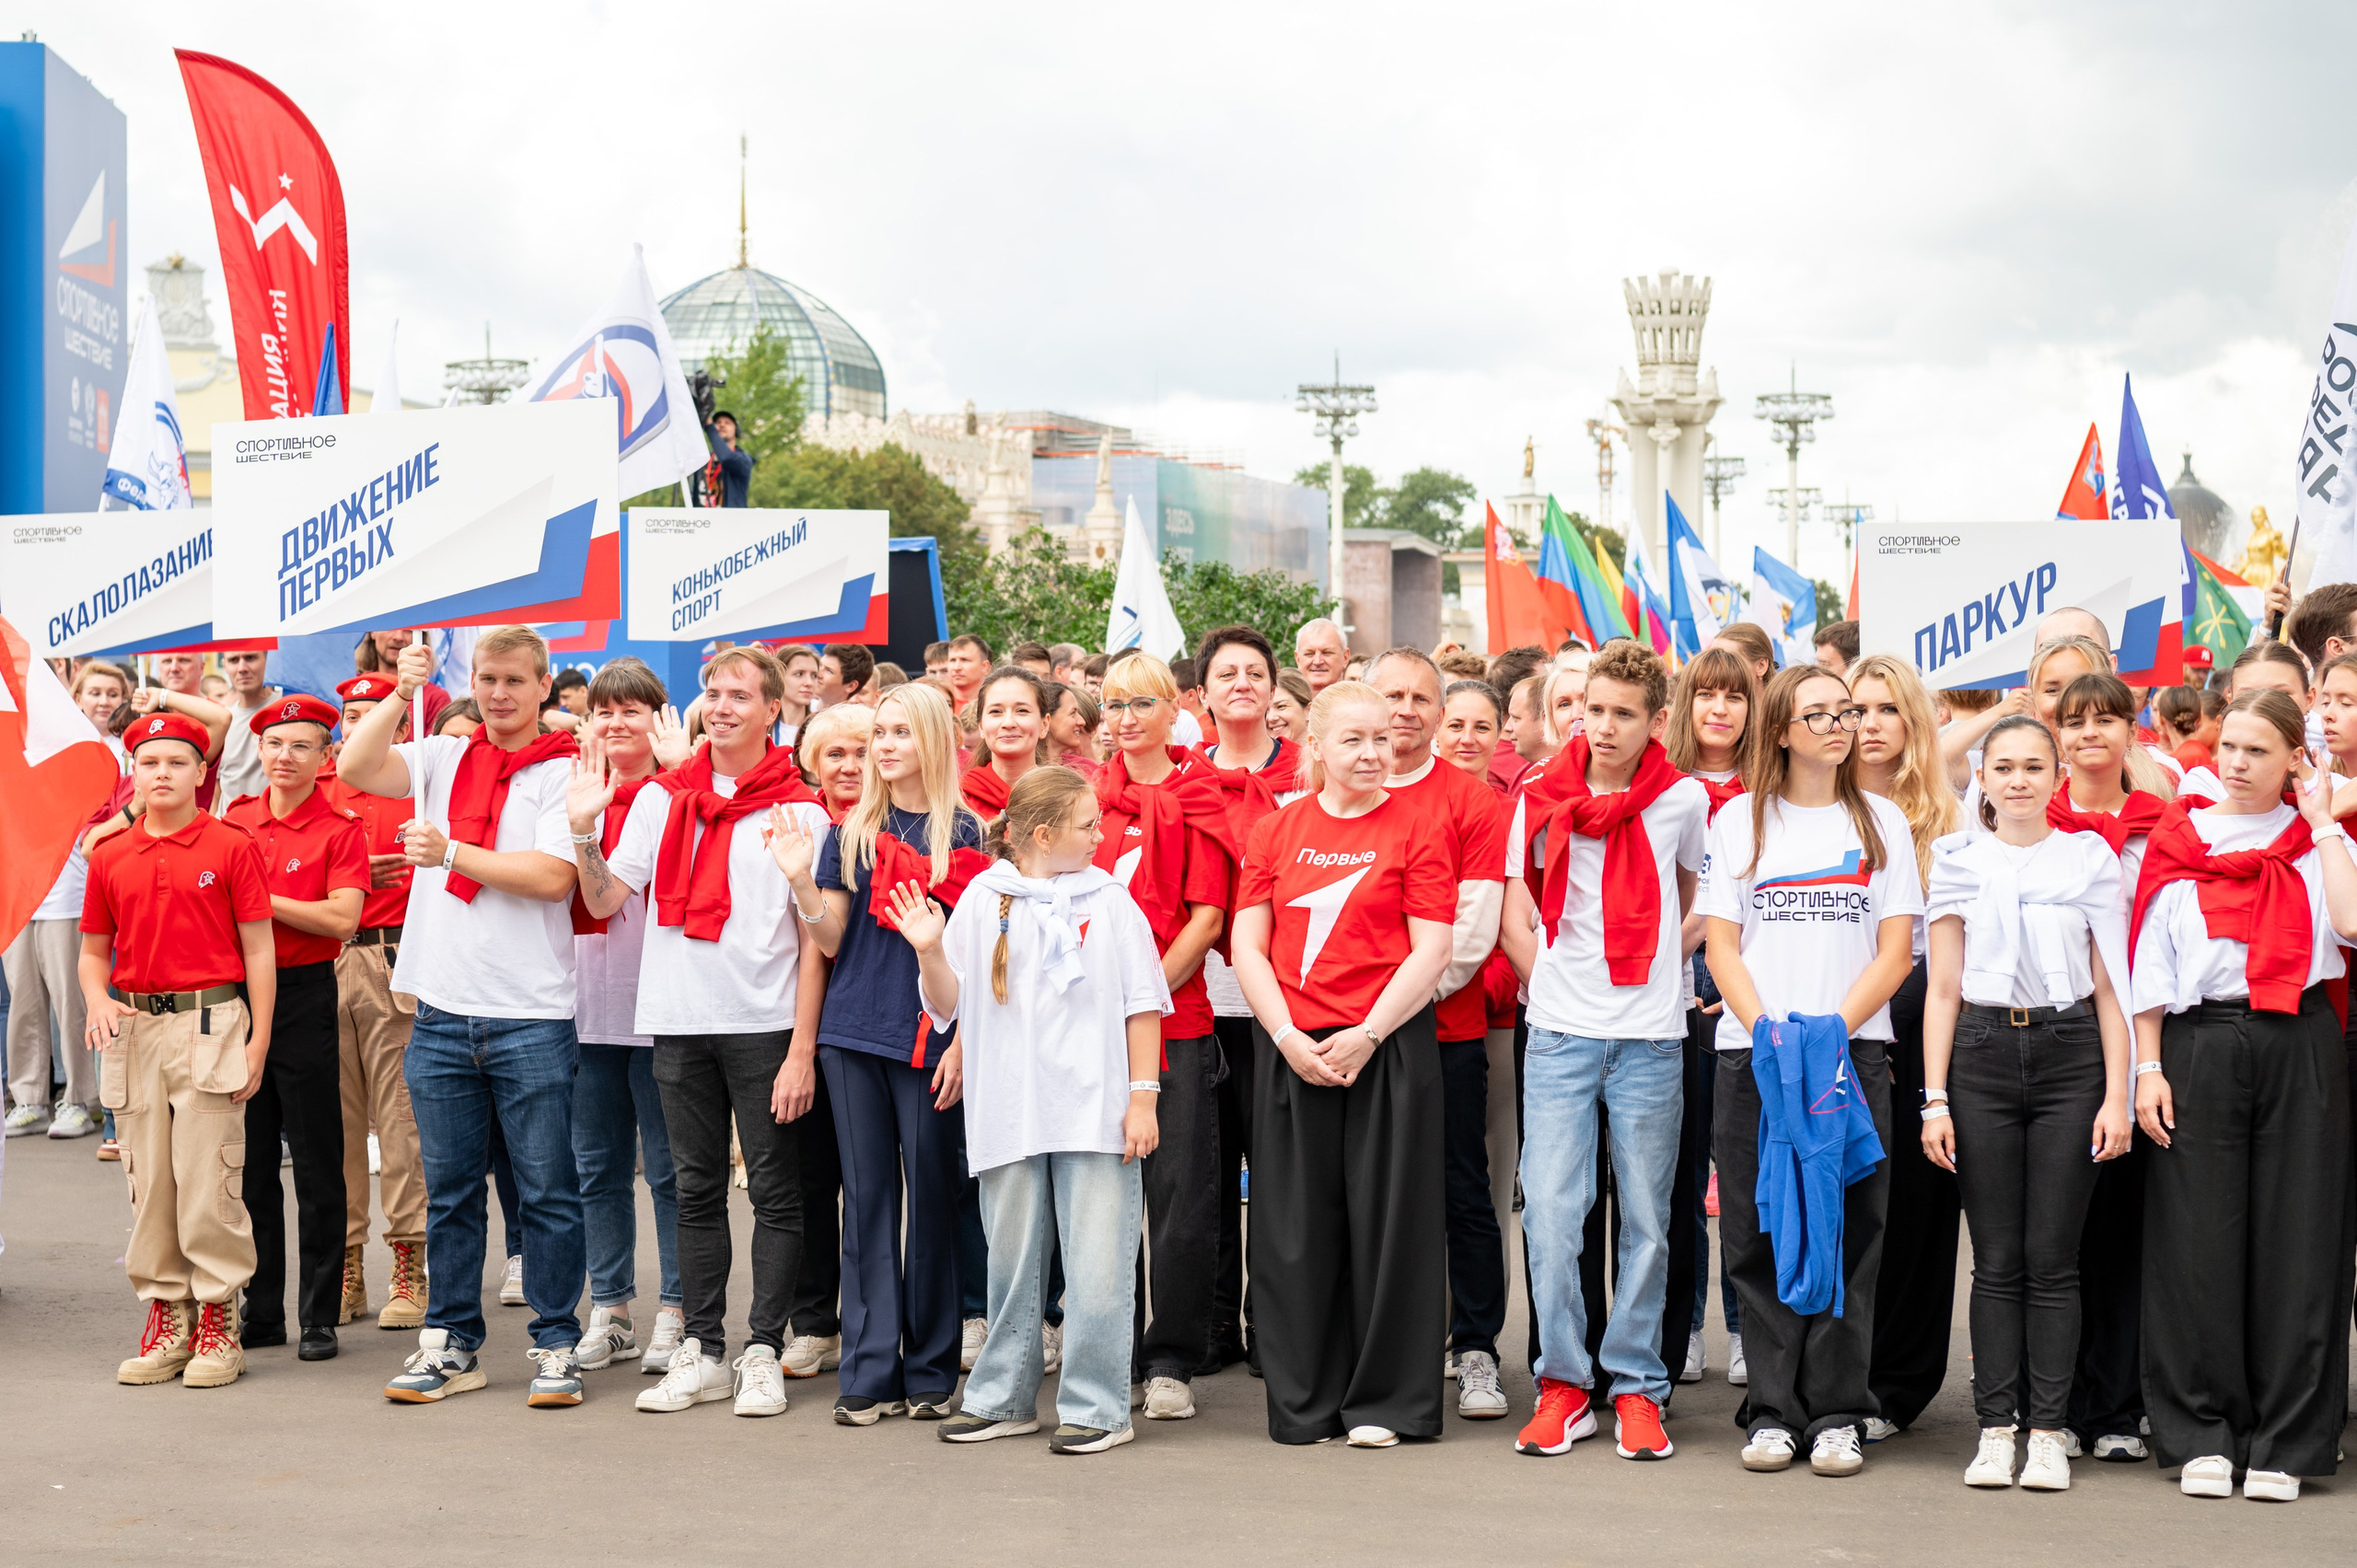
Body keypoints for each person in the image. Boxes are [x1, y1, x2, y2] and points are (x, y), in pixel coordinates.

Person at [569, 647, 830, 1418]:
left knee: (779, 1193)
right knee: (693, 1189)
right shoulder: (659, 798)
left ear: (772, 709)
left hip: (765, 1025)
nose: (720, 705)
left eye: (738, 694)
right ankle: (706, 1349)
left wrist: (802, 1049)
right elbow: (607, 895)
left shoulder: (801, 809)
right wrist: (585, 829)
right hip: (677, 1024)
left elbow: (817, 942)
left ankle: (762, 1350)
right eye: (711, 692)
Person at [334, 627, 590, 1409]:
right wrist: (405, 691)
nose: (500, 692)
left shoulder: (562, 771)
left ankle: (555, 1340)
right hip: (442, 1009)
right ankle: (450, 1342)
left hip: (530, 1014)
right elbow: (352, 766)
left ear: (544, 686)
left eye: (516, 679)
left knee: (546, 1190)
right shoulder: (441, 755)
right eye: (487, 677)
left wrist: (450, 854)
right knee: (448, 1191)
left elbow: (553, 878)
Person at [1698, 665, 1922, 1477]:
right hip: (1755, 1057)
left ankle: (1835, 1411)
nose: (1842, 724)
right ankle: (1771, 1410)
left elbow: (1896, 952)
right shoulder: (1740, 823)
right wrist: (1772, 1038)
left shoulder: (1885, 823)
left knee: (1849, 1231)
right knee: (1757, 1234)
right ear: (1783, 731)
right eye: (1821, 713)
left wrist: (1829, 1033)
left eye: (1848, 710)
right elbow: (1722, 945)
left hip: (1849, 1058)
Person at [906, 768, 1171, 1453]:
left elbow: (1142, 1003)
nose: (1100, 833)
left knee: (1100, 1264)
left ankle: (1097, 1405)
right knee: (1011, 1264)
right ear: (1043, 834)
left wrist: (1143, 1098)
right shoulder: (985, 894)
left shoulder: (1110, 900)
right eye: (1087, 824)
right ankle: (1003, 1397)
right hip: (1009, 1108)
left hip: (1098, 1109)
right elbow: (947, 1002)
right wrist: (930, 948)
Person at [2136, 690, 2353, 1502]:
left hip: (2299, 1038)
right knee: (2196, 1235)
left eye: (2259, 750)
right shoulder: (2181, 836)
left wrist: (2325, 820)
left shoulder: (2314, 841)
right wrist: (2147, 1068)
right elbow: (2149, 967)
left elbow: (2352, 921)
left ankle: (2289, 1440)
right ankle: (2199, 1430)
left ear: (2296, 757)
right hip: (2198, 1043)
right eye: (2228, 745)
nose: (2235, 763)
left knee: (2300, 1238)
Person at [1230, 680, 1457, 1446]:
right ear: (1316, 748)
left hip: (1387, 1050)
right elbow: (1247, 947)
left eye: (1382, 738)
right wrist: (1289, 1037)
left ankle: (1387, 1403)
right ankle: (1306, 1401)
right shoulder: (1276, 830)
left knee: (1392, 1229)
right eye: (1353, 739)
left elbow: (1433, 947)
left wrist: (1369, 1031)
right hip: (1293, 1049)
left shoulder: (1419, 826)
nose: (1372, 752)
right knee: (1294, 1231)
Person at [1499, 641, 1706, 1461]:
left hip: (1652, 1036)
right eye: (1594, 710)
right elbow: (1519, 905)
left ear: (1657, 720)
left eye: (1625, 713)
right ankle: (1562, 1383)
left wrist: (1658, 966)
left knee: (1649, 1222)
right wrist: (1548, 981)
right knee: (1552, 1214)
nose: (1606, 726)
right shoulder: (1539, 795)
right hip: (1558, 1032)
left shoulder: (1683, 799)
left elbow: (1690, 898)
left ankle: (1635, 1386)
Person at [1920, 714, 2135, 1492]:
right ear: (1981, 775)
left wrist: (2118, 1091)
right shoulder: (1954, 860)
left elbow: (2111, 984)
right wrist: (1933, 1099)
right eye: (2002, 766)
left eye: (2032, 766)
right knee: (1997, 1260)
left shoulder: (2089, 859)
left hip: (2071, 1055)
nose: (2017, 780)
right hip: (1978, 1056)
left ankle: (2048, 1430)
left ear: (2056, 775)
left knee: (2054, 1259)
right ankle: (1995, 1425)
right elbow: (1942, 989)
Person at [802, 682, 984, 1423]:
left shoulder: (966, 832)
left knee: (935, 1200)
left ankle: (932, 1368)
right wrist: (798, 885)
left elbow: (979, 959)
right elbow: (832, 941)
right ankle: (869, 1368)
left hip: (928, 1040)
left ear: (934, 739)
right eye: (878, 731)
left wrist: (965, 1043)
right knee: (869, 1201)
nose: (883, 745)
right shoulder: (846, 831)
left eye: (899, 732)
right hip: (850, 1035)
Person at [81, 711, 278, 1388]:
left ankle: (220, 1318)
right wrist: (97, 998)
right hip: (134, 1027)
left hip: (210, 1022)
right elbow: (92, 952)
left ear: (202, 772)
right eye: (148, 763)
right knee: (148, 1180)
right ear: (133, 774)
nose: (161, 773)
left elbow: (259, 947)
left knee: (208, 1179)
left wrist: (258, 1038)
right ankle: (168, 1314)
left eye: (175, 762)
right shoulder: (109, 855)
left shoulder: (230, 844)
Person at [1092, 653, 1238, 1419]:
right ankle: (1106, 1345)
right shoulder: (1087, 794)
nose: (1123, 718)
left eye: (1138, 704)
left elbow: (1208, 918)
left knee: (1177, 1198)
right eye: (1111, 703)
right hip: (1087, 1028)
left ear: (1171, 710)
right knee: (1100, 1196)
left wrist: (1140, 998)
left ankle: (1172, 1355)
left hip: (1175, 1024)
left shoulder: (1200, 795)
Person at [1368, 646, 1510, 1421]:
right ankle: (1378, 1340)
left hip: (1442, 1032)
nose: (1407, 709)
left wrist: (1388, 1011)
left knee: (1462, 1191)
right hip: (1348, 1036)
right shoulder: (1336, 789)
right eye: (1393, 694)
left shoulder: (1473, 801)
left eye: (1423, 697)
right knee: (1368, 1192)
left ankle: (1477, 1345)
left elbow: (1471, 931)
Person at [2045, 668, 2172, 1464]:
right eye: (2075, 720)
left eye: (2106, 719)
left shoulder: (2169, 826)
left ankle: (2118, 1406)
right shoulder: (2028, 823)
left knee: (2127, 1230)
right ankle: (2055, 1401)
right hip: (2057, 1043)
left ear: (2133, 731)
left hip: (2148, 1039)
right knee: (2061, 1232)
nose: (2090, 732)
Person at [222, 694, 367, 1362]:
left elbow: (342, 920)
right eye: (276, 744)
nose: (285, 756)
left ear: (325, 757)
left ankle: (318, 1313)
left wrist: (257, 897)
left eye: (301, 745)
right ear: (260, 751)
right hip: (239, 998)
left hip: (305, 996)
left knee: (316, 1161)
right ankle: (262, 1309)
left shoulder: (339, 826)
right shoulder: (237, 818)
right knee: (249, 1164)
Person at [560, 661, 690, 1379]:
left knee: (672, 1170)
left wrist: (684, 773)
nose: (616, 725)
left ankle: (677, 1305)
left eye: (632, 712)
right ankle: (610, 1306)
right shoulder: (569, 786)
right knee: (596, 1168)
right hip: (584, 1005)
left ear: (658, 721)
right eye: (604, 712)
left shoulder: (678, 791)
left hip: (661, 1005)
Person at [1845, 654, 1961, 1441]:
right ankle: (1833, 1371)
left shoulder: (1951, 821)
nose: (1871, 723)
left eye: (1888, 708)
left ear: (1912, 722)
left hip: (1922, 1029)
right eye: (1857, 708)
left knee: (1917, 1215)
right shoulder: (1811, 808)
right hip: (1834, 1027)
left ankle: (1896, 1384)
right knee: (1846, 1210)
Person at [1191, 624, 1301, 1373]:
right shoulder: (1179, 779)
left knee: (1277, 1172)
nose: (1241, 682)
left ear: (1272, 690)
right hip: (1197, 1001)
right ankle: (1208, 1326)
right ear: (1200, 694)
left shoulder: (1306, 775)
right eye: (1225, 672)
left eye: (1254, 671)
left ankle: (1274, 1325)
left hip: (1279, 1005)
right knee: (1202, 1170)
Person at [319, 674, 430, 1332]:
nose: (361, 724)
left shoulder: (416, 786)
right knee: (334, 1127)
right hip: (326, 959)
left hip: (394, 957)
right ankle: (347, 1262)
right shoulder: (318, 793)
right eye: (352, 714)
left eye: (375, 713)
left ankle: (410, 1261)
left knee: (401, 1125)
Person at [1661, 645, 1757, 1390]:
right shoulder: (1662, 788)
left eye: (1736, 696)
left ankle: (1748, 1326)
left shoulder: (1774, 791)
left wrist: (1734, 974)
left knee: (1747, 1174)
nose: (1720, 709)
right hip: (1673, 981)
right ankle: (1686, 1325)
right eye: (1706, 695)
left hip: (1751, 982)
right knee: (1686, 1173)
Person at [5, 664, 131, 1142]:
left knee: (71, 1002)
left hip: (69, 896)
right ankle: (30, 1098)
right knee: (23, 1002)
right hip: (22, 893)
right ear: (73, 698)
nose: (101, 700)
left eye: (112, 692)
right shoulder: (34, 747)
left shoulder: (116, 755)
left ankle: (80, 1098)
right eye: (93, 692)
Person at [962, 667, 1051, 818]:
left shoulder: (1065, 797)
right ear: (981, 727)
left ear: (1044, 724)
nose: (1008, 723)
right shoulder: (958, 799)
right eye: (996, 712)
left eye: (1022, 710)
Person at [213, 649, 284, 804]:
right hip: (226, 823)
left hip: (272, 823)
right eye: (233, 660)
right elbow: (216, 784)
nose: (242, 668)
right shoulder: (222, 720)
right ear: (224, 665)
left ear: (267, 660)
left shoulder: (287, 709)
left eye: (250, 658)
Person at [800, 703, 874, 821]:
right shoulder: (796, 821)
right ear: (815, 764)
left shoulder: (906, 828)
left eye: (863, 755)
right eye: (835, 755)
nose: (850, 768)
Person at [1438, 680, 1506, 792]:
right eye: (1456, 726)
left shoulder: (1515, 809)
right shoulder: (1406, 804)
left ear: (1498, 735)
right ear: (1436, 730)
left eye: (1482, 728)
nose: (1467, 740)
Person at [1044, 681, 1102, 777]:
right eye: (1072, 713)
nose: (1082, 721)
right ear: (1047, 721)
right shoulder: (1021, 770)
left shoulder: (1088, 769)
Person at [776, 645, 822, 747]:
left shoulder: (823, 726)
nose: (809, 683)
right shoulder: (761, 727)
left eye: (814, 675)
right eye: (799, 674)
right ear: (780, 676)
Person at [705, 412, 753, 507]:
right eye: (718, 422)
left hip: (730, 521)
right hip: (704, 520)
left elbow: (726, 458)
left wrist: (709, 427)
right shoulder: (704, 460)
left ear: (736, 431)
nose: (722, 425)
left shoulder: (743, 460)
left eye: (727, 423)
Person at [1292, 618, 1349, 694]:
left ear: (1345, 657)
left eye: (1327, 653)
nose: (1317, 662)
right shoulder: (1278, 702)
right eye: (1309, 654)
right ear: (1298, 659)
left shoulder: (1360, 703)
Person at [1711, 623, 1776, 687]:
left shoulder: (1784, 697)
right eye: (1712, 659)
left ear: (1761, 666)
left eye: (1729, 660)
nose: (1715, 669)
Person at [945, 634, 993, 714]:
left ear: (985, 667)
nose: (956, 667)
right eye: (952, 660)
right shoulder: (940, 705)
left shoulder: (998, 703)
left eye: (965, 660)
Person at [819, 643, 877, 709]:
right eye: (819, 665)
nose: (818, 673)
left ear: (851, 686)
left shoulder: (856, 719)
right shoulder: (806, 708)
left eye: (829, 671)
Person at [1266, 668, 1312, 743]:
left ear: (1309, 710)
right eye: (1265, 711)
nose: (1271, 718)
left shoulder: (1329, 752)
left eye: (1281, 706)